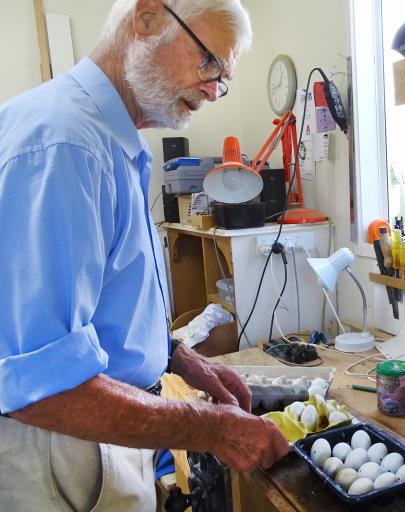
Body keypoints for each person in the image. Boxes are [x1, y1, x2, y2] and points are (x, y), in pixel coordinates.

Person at [0, 0, 289, 510]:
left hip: (100, 428)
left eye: (222, 78)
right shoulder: (68, 144)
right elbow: (38, 385)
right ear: (148, 16)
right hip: (60, 446)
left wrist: (179, 357)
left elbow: (109, 303)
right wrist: (212, 429)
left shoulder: (111, 140)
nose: (212, 91)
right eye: (208, 63)